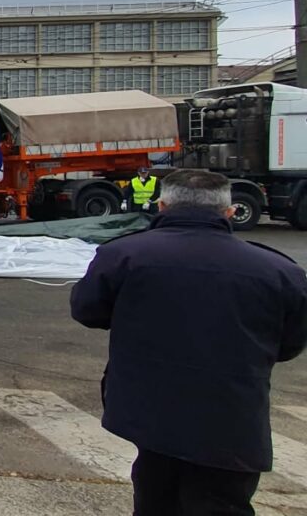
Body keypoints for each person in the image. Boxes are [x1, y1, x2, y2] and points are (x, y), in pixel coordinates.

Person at [71, 169, 307, 514]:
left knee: (155, 499)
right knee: (221, 501)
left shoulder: (124, 255)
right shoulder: (280, 271)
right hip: (232, 419)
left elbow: (88, 311)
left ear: (162, 205)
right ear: (229, 212)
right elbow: (288, 344)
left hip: (149, 414)